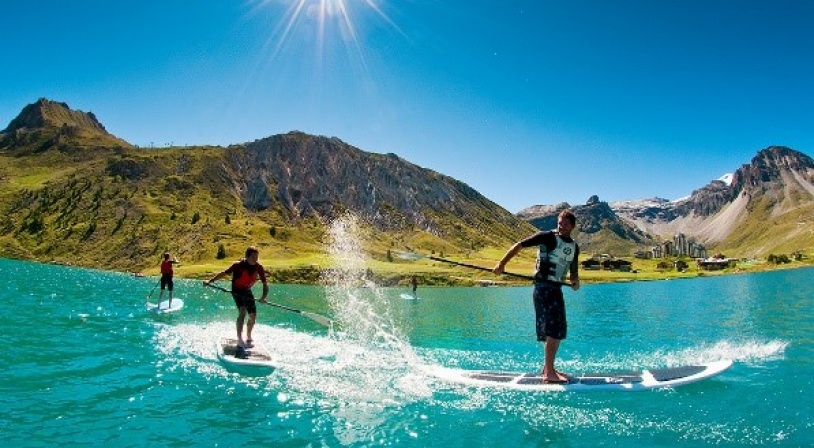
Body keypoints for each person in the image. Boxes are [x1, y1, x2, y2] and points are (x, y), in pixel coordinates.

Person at [493, 209, 580, 383]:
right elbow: (519, 245)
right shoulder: (546, 237)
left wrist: (575, 282)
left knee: (558, 329)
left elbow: (573, 272)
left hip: (556, 289)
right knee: (553, 330)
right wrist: (502, 263)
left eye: (565, 224)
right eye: (559, 223)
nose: (561, 227)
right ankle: (549, 373)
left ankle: (548, 368)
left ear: (572, 226)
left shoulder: (574, 247)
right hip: (543, 288)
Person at [204, 246, 269, 349]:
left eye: (257, 257)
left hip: (247, 290)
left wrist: (263, 297)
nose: (255, 259)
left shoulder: (259, 267)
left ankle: (249, 336)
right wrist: (210, 281)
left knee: (253, 315)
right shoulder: (238, 265)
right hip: (237, 290)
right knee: (242, 312)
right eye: (253, 257)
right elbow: (223, 273)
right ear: (247, 257)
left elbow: (265, 284)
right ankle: (239, 338)